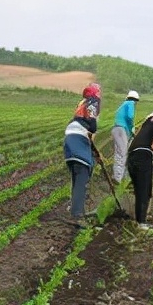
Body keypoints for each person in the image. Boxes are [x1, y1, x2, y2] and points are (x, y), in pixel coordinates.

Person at [63, 83, 102, 227]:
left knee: (77, 173)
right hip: (79, 138)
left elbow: (88, 137)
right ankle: (78, 215)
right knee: (83, 174)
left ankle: (75, 208)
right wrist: (94, 127)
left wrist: (95, 153)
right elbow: (91, 124)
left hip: (70, 139)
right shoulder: (93, 101)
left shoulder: (81, 104)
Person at [111, 90, 140, 184]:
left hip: (116, 129)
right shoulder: (130, 103)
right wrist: (132, 128)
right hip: (121, 129)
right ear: (135, 100)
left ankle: (119, 176)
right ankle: (118, 178)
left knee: (119, 152)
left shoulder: (123, 104)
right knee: (123, 153)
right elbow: (130, 116)